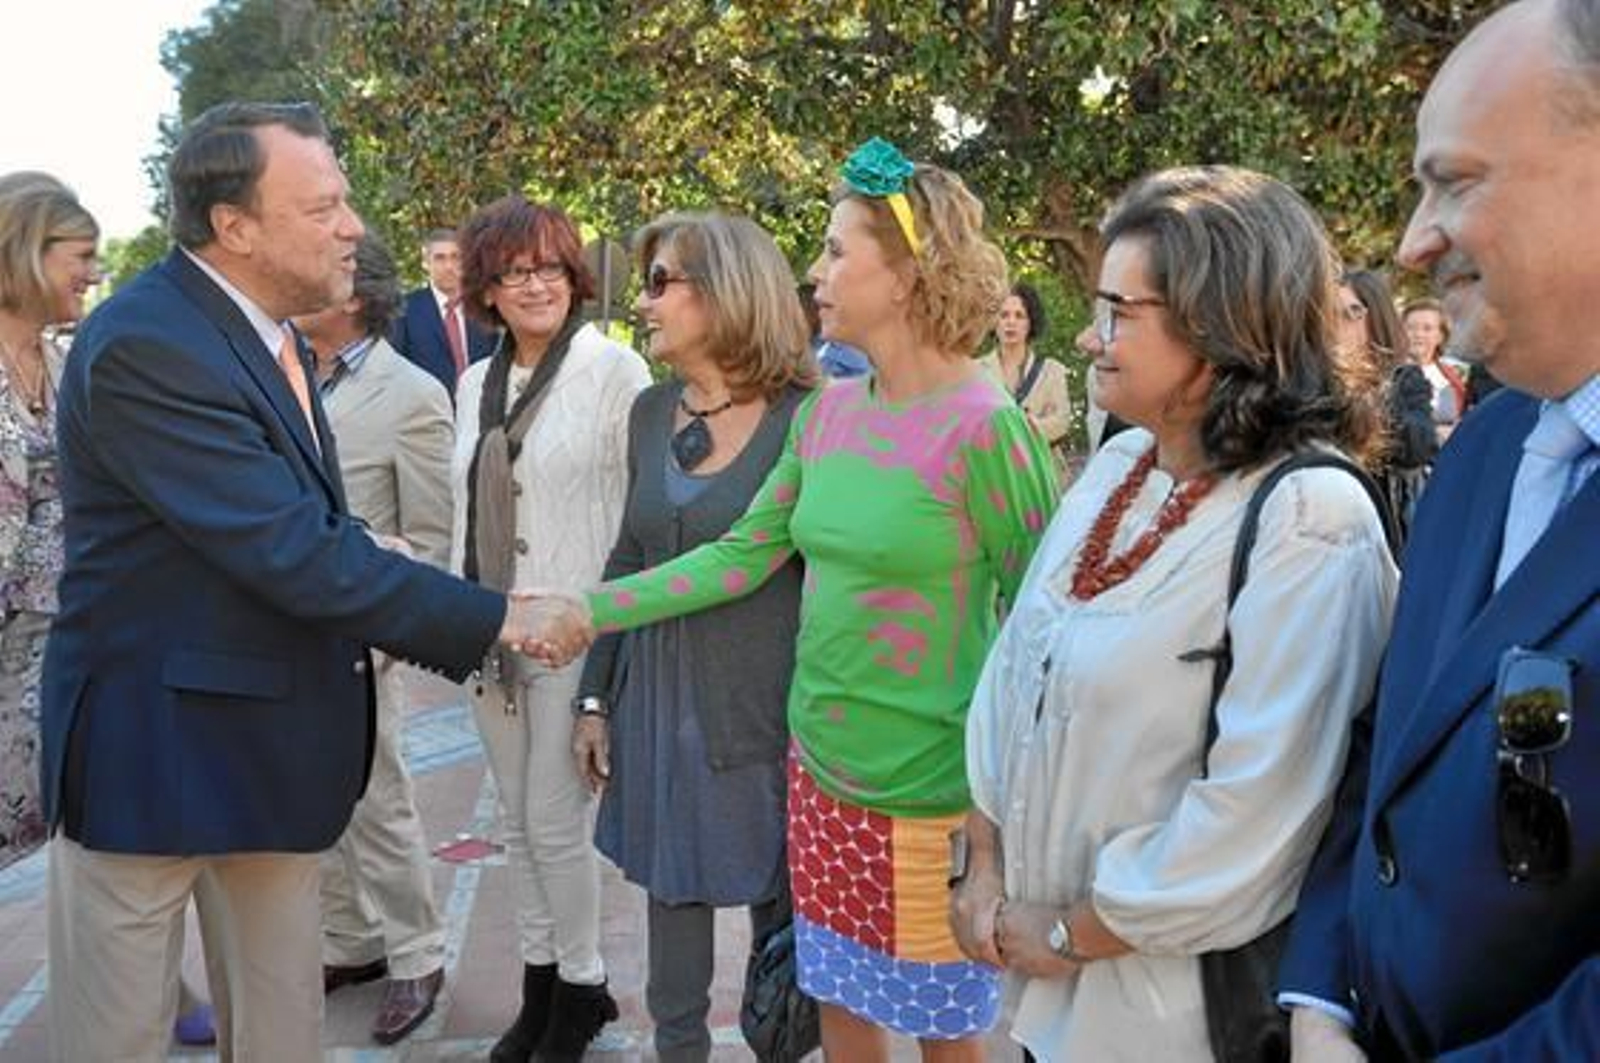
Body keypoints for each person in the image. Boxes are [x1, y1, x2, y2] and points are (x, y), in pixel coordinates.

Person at [40, 101, 553, 1063]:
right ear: (233, 226)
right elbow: (281, 545)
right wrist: (495, 621)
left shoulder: (265, 332)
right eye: (323, 207)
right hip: (153, 761)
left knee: (282, 1034)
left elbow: (269, 518)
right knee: (113, 1040)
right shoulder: (148, 341)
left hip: (267, 753)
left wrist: (369, 542)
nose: (353, 225)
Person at [534, 137, 1060, 1061]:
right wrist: (589, 610)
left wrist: (992, 832)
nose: (813, 272)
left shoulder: (990, 429)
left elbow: (1040, 633)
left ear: (902, 275)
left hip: (934, 797)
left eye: (834, 250)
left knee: (945, 1035)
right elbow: (740, 557)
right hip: (818, 782)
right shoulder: (830, 413)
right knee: (842, 1016)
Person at [955, 166, 1397, 1062]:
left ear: (1224, 326)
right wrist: (985, 869)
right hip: (1050, 1003)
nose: (1089, 336)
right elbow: (1012, 681)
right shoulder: (1122, 471)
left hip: (1178, 1024)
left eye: (1123, 311)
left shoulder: (1310, 520)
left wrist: (1075, 929)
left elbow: (1256, 819)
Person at [1281, 0, 1600, 1057]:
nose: (1414, 241)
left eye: (1455, 182)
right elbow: (1393, 749)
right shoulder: (1485, 451)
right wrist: (1320, 1000)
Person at [569, 211, 817, 1062]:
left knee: (783, 931)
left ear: (725, 293)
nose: (644, 302)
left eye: (661, 281)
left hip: (765, 716)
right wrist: (595, 693)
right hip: (655, 707)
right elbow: (629, 552)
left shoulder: (810, 418)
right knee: (670, 915)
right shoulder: (648, 413)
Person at [451, 193, 650, 1063]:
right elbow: (465, 512)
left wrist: (608, 662)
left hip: (575, 635)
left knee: (555, 819)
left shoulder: (615, 371)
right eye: (513, 271)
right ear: (486, 289)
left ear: (575, 275)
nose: (535, 284)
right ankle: (542, 987)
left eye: (548, 267)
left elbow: (638, 518)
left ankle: (580, 987)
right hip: (492, 636)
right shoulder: (472, 383)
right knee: (520, 826)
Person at [292, 231, 453, 1045]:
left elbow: (430, 532)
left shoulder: (412, 394)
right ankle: (350, 943)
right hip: (286, 627)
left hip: (362, 633)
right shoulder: (282, 371)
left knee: (377, 795)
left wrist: (390, 630)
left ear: (355, 295)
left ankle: (417, 953)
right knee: (307, 794)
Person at [0, 173, 97, 871]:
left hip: (61, 646)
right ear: (30, 248)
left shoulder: (68, 363)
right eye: (82, 255)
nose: (94, 274)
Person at [1338, 269, 1436, 545]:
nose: (1337, 325)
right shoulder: (1312, 379)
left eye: (1352, 313)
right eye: (1330, 314)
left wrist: (1364, 401)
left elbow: (1419, 446)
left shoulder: (1403, 378)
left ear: (1376, 317)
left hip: (1377, 527)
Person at [978, 282, 1074, 480]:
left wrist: (1018, 431)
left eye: (1019, 315)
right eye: (1004, 315)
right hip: (994, 478)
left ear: (1031, 323)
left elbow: (1061, 421)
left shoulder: (1052, 370)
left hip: (1044, 476)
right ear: (993, 321)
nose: (1010, 322)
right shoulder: (976, 371)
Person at [392, 227, 496, 396]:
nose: (449, 266)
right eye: (440, 258)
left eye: (456, 257)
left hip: (481, 409)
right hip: (428, 412)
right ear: (425, 263)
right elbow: (396, 368)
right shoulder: (404, 309)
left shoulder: (483, 307)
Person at [1402, 297, 1468, 442]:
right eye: (1411, 327)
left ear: (1440, 336)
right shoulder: (1390, 374)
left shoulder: (1452, 377)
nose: (1418, 334)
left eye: (1427, 328)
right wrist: (1434, 432)